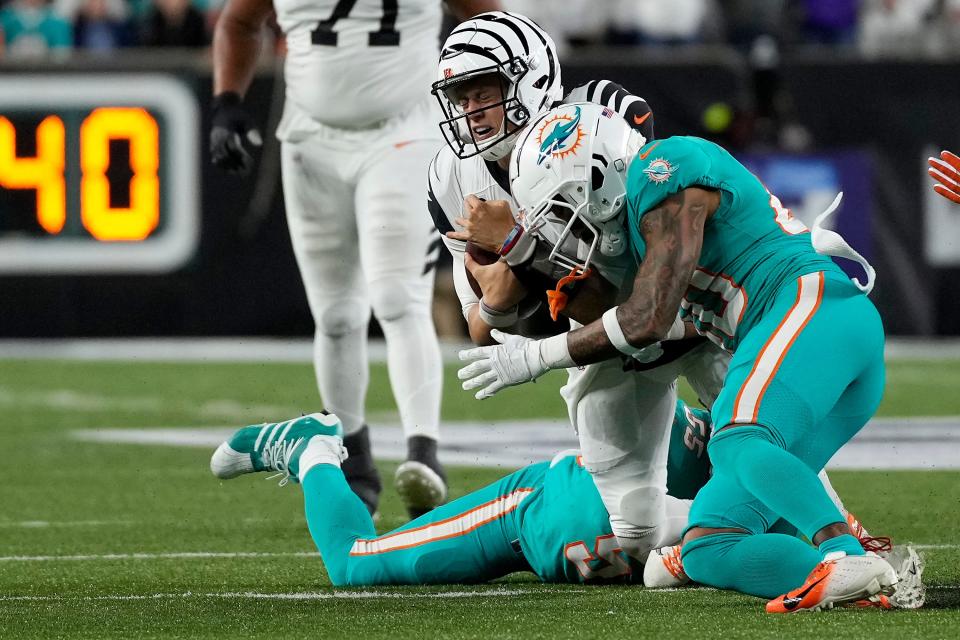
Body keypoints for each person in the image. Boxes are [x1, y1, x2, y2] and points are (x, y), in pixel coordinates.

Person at [458, 103, 925, 612]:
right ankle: (875, 585)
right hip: (812, 342)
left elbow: (646, 319)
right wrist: (516, 256)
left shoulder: (666, 166)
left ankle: (843, 550)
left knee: (736, 439)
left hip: (814, 308)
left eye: (560, 206)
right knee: (707, 547)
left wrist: (536, 358)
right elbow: (627, 322)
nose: (563, 227)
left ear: (594, 175)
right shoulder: (640, 234)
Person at [426, 11, 732, 572]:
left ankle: (831, 530)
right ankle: (729, 502)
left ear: (530, 80)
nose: (470, 111)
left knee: (764, 435)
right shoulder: (451, 178)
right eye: (460, 97)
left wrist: (519, 247)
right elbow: (481, 326)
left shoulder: (600, 117)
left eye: (483, 92)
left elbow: (646, 272)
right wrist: (500, 297)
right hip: (594, 334)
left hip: (685, 304)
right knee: (635, 533)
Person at [209, 0, 502, 519]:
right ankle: (355, 465)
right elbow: (239, 21)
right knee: (336, 314)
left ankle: (423, 455)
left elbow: (494, 25)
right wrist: (227, 101)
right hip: (310, 140)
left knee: (397, 295)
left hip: (404, 132)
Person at [210, 406, 714, 585]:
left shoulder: (756, 473)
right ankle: (312, 448)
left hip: (569, 538)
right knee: (353, 565)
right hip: (531, 512)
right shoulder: (706, 423)